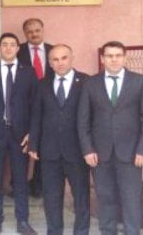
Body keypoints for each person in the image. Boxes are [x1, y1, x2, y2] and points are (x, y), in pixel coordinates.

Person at [78, 41, 143, 235]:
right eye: (109, 56)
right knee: (105, 198)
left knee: (131, 198)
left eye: (118, 55)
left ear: (125, 57)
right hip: (99, 154)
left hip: (131, 153)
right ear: (102, 59)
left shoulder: (140, 81)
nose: (114, 59)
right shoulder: (90, 83)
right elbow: (83, 120)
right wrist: (87, 149)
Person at [28, 44, 90, 235]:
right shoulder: (42, 84)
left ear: (72, 59)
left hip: (78, 151)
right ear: (50, 63)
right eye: (55, 59)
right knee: (52, 198)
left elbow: (93, 117)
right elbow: (36, 116)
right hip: (50, 151)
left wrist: (91, 147)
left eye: (64, 58)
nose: (60, 63)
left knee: (81, 197)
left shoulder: (87, 82)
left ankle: (81, 232)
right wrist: (33, 144)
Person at [0, 33, 38, 235]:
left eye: (12, 44)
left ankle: (22, 221)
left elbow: (35, 105)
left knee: (21, 180)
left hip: (21, 135)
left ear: (18, 48)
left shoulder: (28, 72)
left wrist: (32, 133)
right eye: (4, 44)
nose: (8, 48)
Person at [18, 17, 53, 197]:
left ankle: (39, 184)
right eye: (30, 31)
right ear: (25, 34)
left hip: (49, 104)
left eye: (37, 30)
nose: (34, 34)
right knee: (21, 146)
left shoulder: (54, 51)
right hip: (24, 104)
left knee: (44, 144)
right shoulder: (18, 51)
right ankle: (19, 185)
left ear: (42, 30)